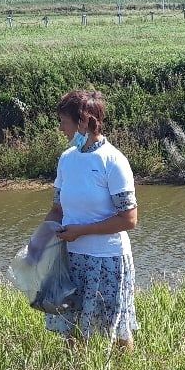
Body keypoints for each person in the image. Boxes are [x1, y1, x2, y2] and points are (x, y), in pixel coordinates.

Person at [42, 90, 140, 350]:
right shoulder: (67, 160)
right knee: (73, 330)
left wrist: (81, 231)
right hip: (71, 259)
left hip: (107, 260)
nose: (61, 128)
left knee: (116, 331)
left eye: (64, 121)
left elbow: (129, 219)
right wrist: (38, 241)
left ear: (83, 122)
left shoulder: (113, 161)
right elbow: (57, 209)